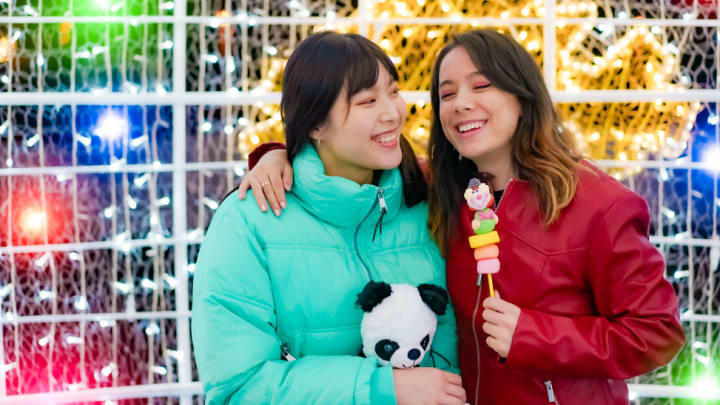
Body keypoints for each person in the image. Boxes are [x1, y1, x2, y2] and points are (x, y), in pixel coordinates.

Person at [239, 29, 686, 405]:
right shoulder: (438, 187)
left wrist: (535, 335)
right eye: (447, 94)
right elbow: (347, 166)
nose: (460, 104)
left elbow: (658, 333)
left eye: (481, 86)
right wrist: (279, 156)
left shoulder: (599, 204)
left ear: (521, 93)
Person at [191, 31, 465, 405]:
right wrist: (377, 388)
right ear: (316, 125)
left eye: (394, 91)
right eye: (367, 100)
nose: (392, 112)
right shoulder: (250, 223)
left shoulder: (428, 202)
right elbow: (238, 387)